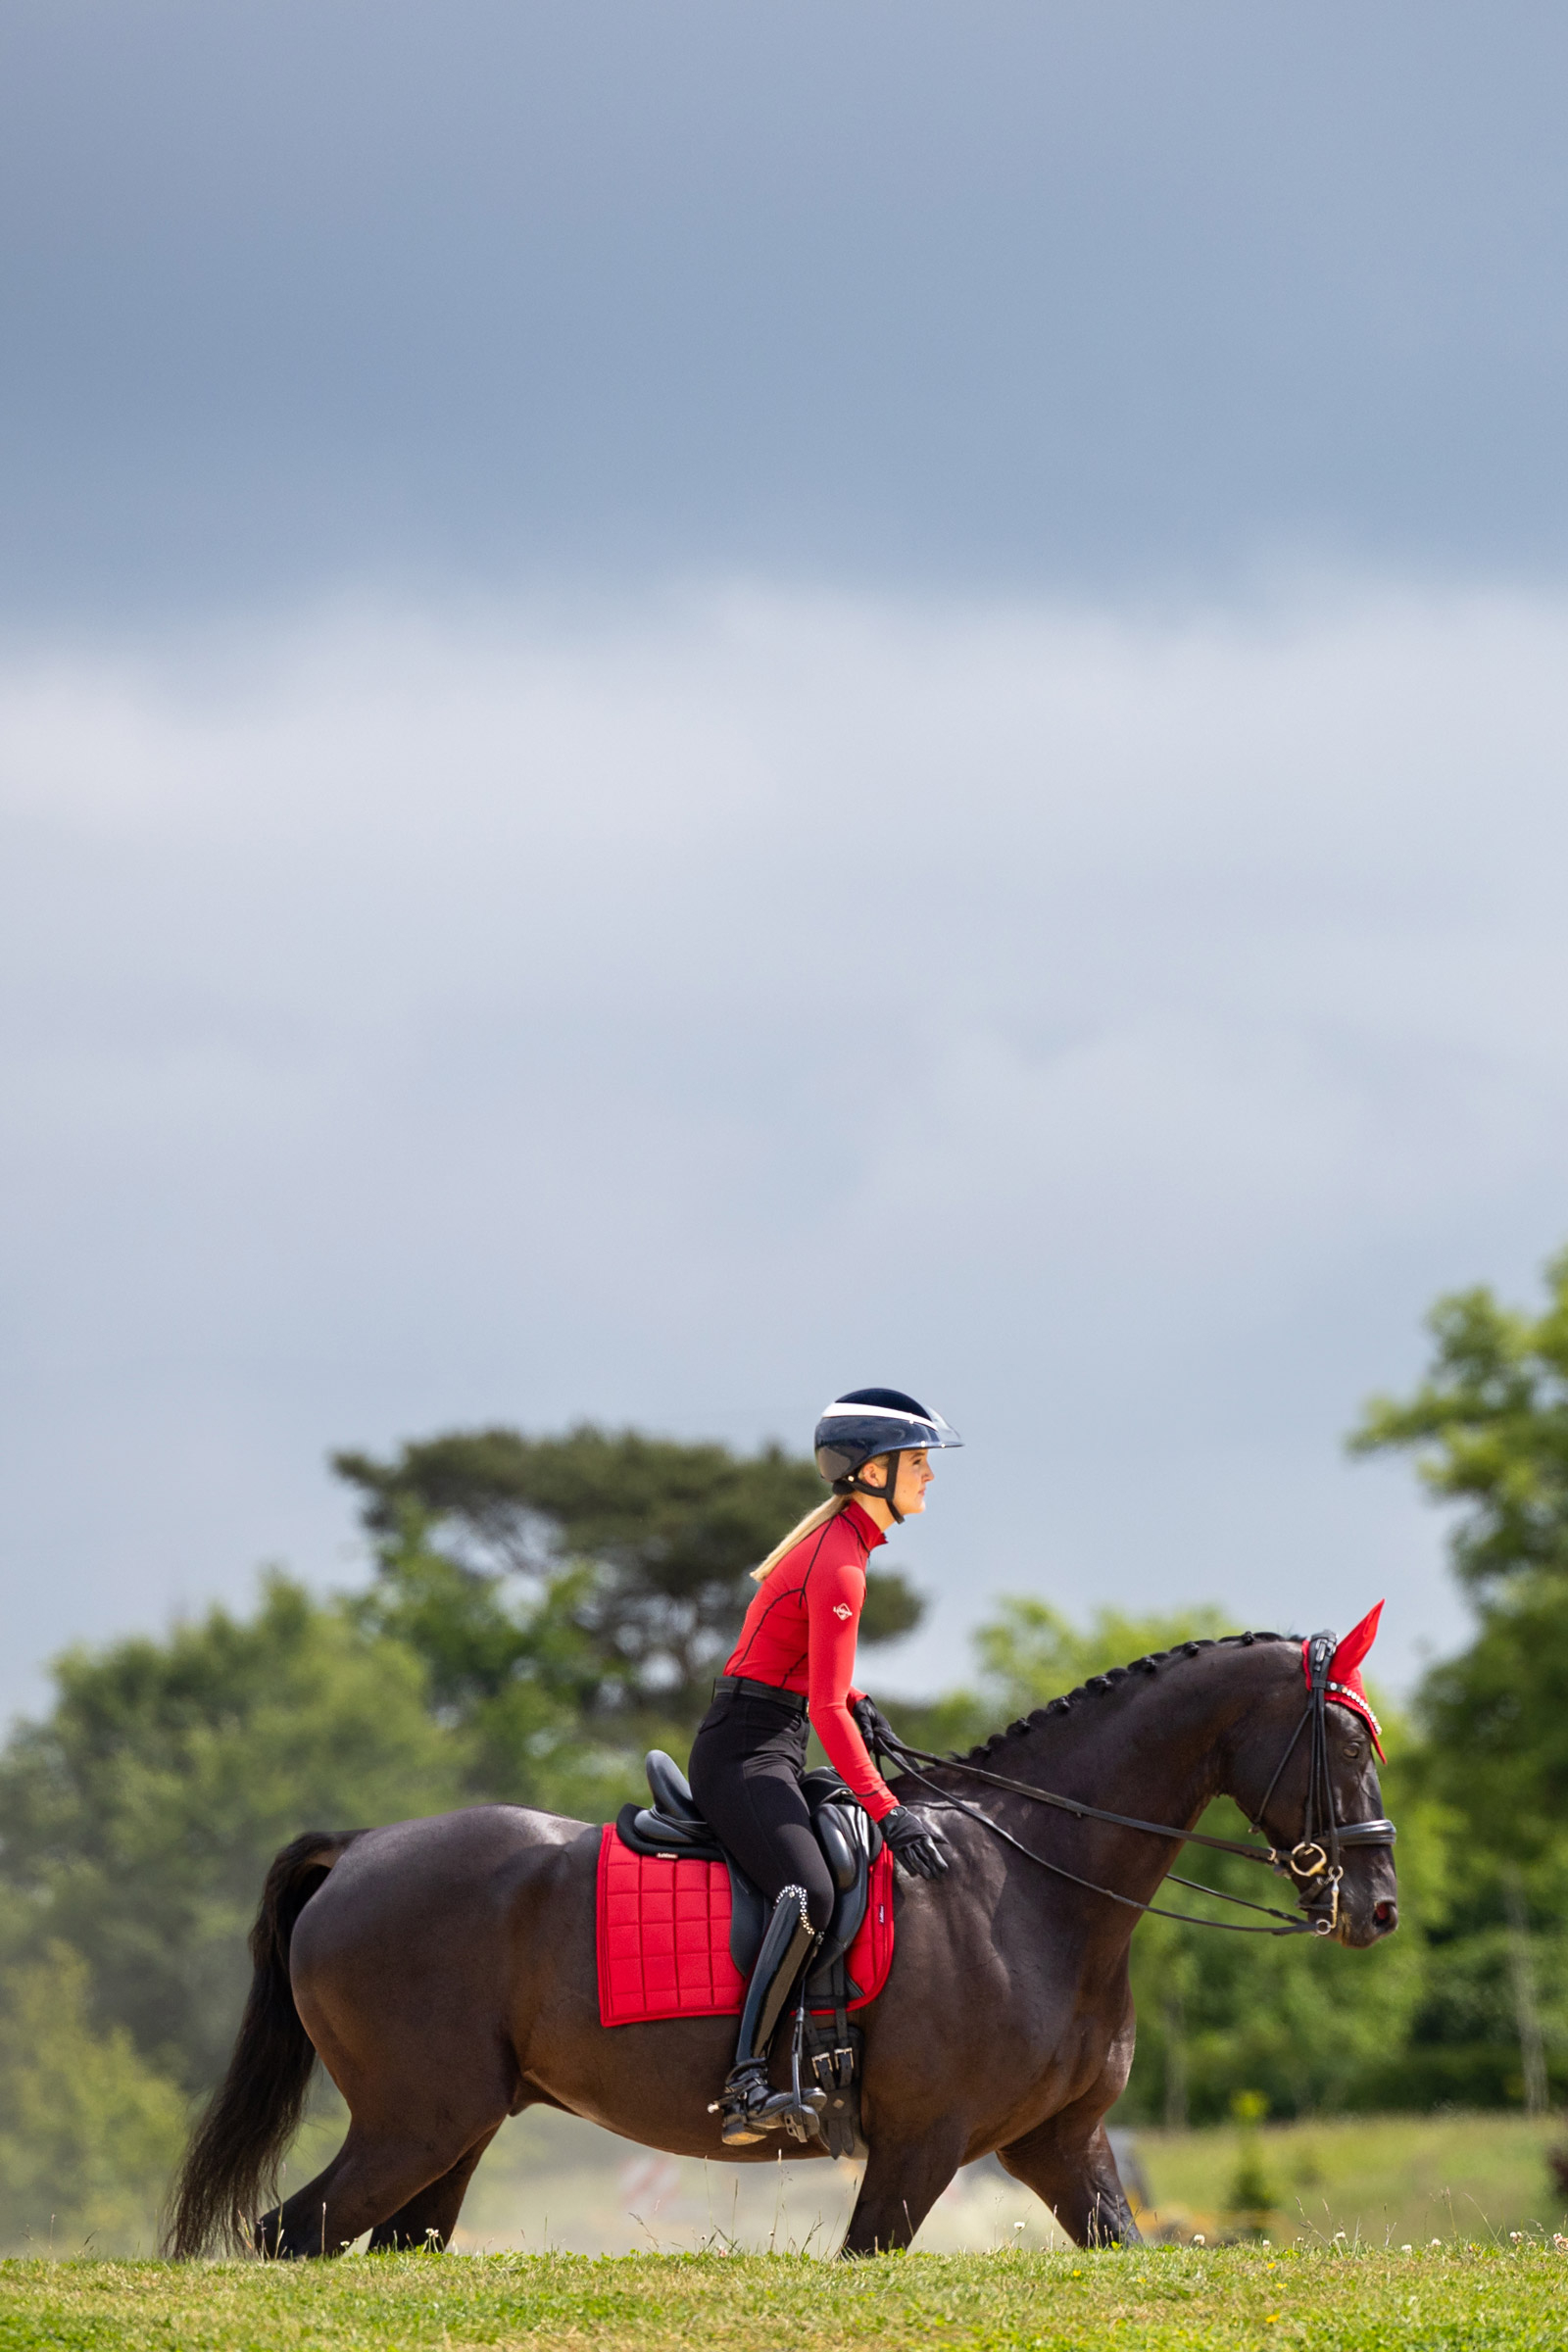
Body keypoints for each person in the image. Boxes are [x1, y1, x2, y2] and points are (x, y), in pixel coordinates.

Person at [689, 1386, 960, 2144]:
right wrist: (890, 1810)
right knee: (805, 1890)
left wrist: (858, 1693)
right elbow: (824, 1711)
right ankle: (745, 2084)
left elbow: (817, 1677)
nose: (930, 1476)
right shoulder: (840, 1563)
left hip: (771, 1740)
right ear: (873, 1474)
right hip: (745, 1752)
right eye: (918, 1463)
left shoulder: (844, 1547)